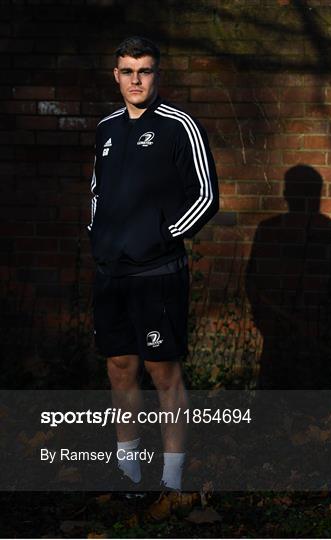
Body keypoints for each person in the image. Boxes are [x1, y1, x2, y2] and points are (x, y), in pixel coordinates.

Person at [87, 36, 219, 493]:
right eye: (127, 70)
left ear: (156, 75)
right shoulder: (106, 128)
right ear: (116, 76)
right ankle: (128, 475)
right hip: (111, 273)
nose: (136, 79)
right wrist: (98, 237)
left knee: (163, 370)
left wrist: (159, 239)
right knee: (120, 367)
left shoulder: (179, 125)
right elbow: (96, 193)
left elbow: (205, 196)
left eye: (144, 70)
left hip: (158, 273)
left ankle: (172, 480)